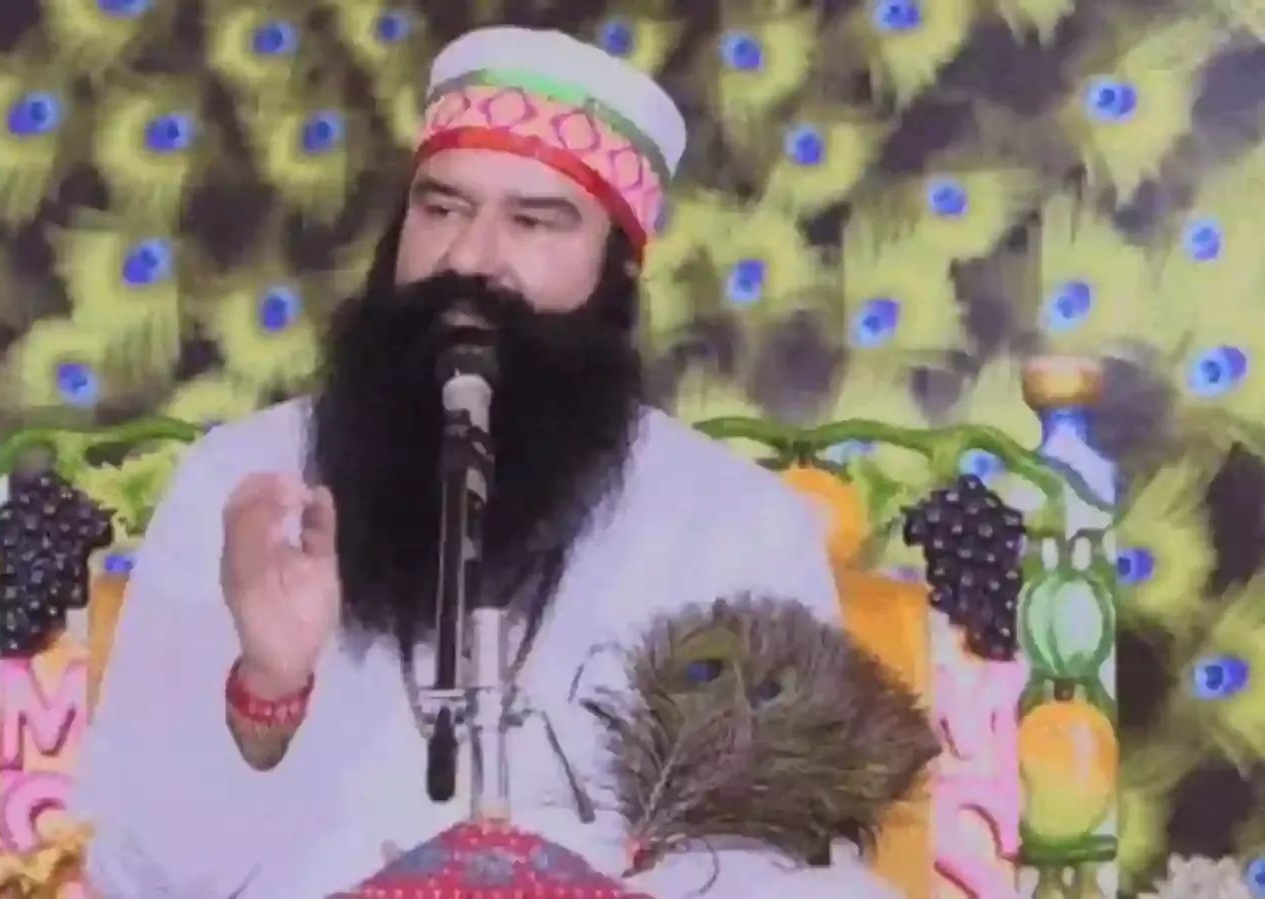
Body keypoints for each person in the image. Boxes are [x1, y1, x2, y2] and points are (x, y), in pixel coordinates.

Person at [74, 25, 905, 898]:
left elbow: (787, 870)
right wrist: (266, 687)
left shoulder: (731, 524)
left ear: (620, 267)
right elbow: (139, 871)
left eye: (533, 222)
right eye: (441, 210)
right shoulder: (250, 485)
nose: (469, 258)